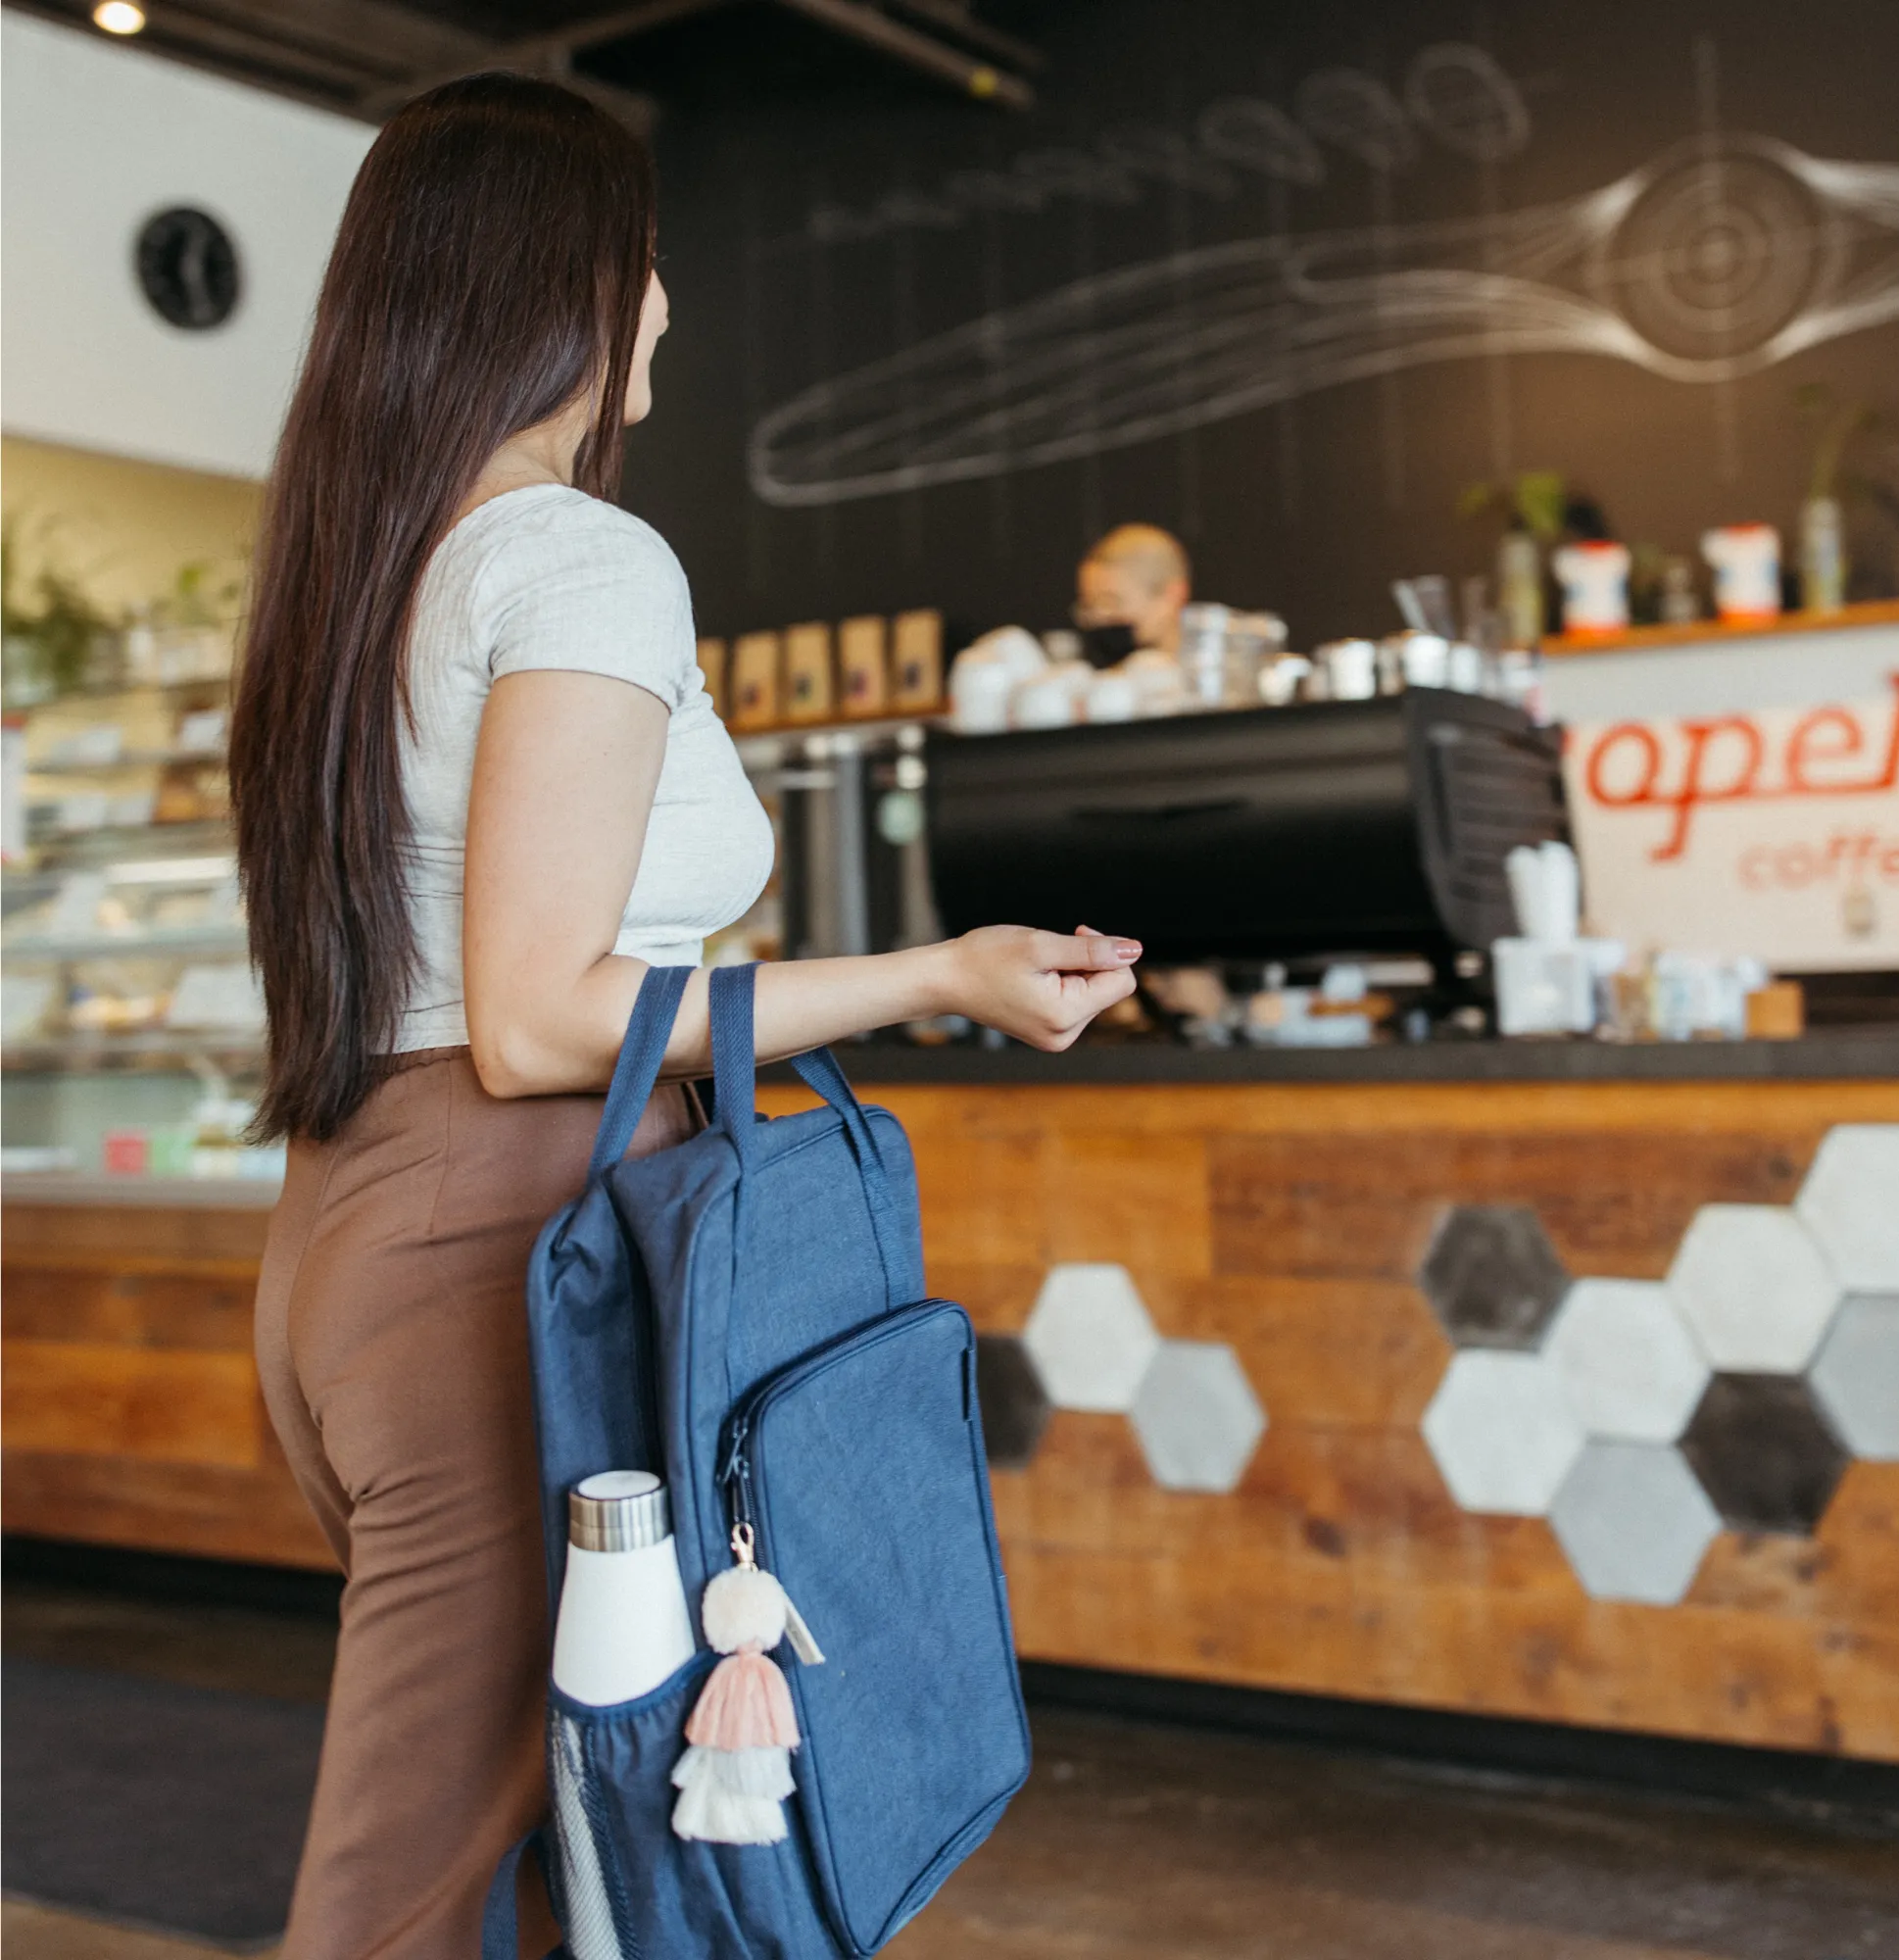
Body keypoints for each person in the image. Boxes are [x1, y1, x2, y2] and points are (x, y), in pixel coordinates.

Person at [229, 74, 1140, 1960]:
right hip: (510, 1261)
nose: (664, 309)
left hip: (355, 1242)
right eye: (645, 266)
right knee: (405, 1894)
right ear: (566, 283)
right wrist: (941, 974)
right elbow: (546, 1017)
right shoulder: (573, 559)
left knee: (581, 1861)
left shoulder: (359, 569)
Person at [1073, 522, 1191, 665]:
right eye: (1089, 606)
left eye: (1111, 602)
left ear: (1171, 596)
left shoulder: (1218, 677)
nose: (1098, 617)